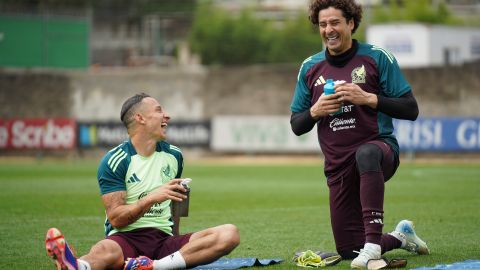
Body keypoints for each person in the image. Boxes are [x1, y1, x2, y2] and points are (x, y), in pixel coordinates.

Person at [289, 0, 429, 268]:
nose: (328, 29)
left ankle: (374, 245)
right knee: (349, 249)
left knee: (365, 152)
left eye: (335, 22)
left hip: (379, 152)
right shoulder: (310, 67)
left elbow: (411, 109)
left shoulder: (377, 57)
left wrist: (368, 98)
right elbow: (297, 125)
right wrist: (316, 111)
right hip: (338, 168)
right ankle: (400, 237)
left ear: (351, 23)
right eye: (323, 24)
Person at [45, 93, 240, 270]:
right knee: (105, 250)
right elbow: (116, 219)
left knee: (229, 234)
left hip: (164, 241)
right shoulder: (115, 160)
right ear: (140, 118)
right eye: (159, 111)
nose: (167, 116)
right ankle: (77, 266)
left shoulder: (174, 155)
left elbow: (176, 199)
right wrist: (151, 198)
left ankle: (153, 267)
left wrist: (177, 239)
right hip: (126, 240)